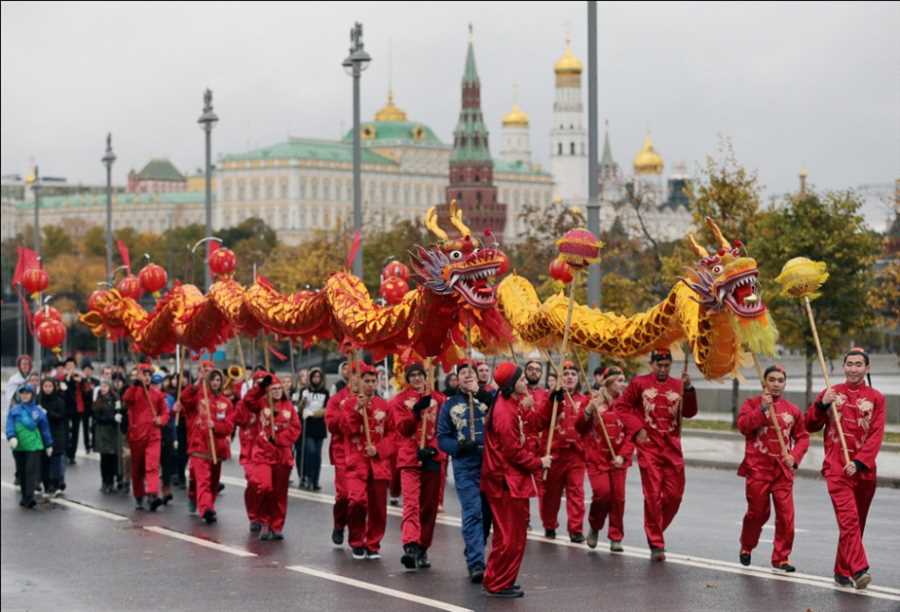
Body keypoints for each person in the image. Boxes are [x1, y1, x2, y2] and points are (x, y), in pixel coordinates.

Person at [806, 348, 885, 590]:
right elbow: (809, 424)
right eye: (849, 364)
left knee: (855, 524)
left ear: (867, 368)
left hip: (863, 471)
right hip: (836, 469)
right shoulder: (831, 393)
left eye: (858, 364)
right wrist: (821, 405)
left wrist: (860, 462)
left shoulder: (876, 398)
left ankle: (842, 569)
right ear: (843, 366)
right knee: (849, 519)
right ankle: (859, 569)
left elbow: (876, 434)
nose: (853, 368)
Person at [615, 348, 697, 561]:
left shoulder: (678, 385)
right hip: (649, 447)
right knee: (652, 495)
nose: (662, 369)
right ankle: (656, 542)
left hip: (672, 447)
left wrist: (688, 388)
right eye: (659, 365)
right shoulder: (639, 383)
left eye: (666, 366)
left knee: (675, 495)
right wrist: (637, 428)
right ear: (651, 364)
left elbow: (689, 412)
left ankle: (656, 528)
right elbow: (622, 407)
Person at [481, 362, 551, 598]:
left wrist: (553, 402)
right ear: (512, 385)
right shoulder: (505, 411)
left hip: (513, 480)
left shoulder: (514, 403)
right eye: (521, 380)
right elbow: (512, 452)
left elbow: (537, 423)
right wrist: (540, 462)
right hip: (504, 481)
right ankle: (496, 582)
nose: (525, 383)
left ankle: (503, 579)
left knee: (515, 534)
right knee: (509, 536)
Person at [736, 364, 809, 571]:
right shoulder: (752, 404)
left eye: (780, 380)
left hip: (782, 471)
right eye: (772, 380)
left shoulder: (793, 410)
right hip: (758, 468)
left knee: (786, 516)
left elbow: (802, 437)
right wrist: (762, 410)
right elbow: (743, 427)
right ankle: (747, 546)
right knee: (758, 513)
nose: (776, 384)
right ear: (764, 382)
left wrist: (793, 457)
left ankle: (781, 558)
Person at [437, 361, 494, 583]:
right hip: (465, 467)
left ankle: (474, 547)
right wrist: (459, 447)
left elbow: (503, 415)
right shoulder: (449, 405)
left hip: (490, 464)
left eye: (471, 372)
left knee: (487, 515)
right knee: (473, 512)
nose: (467, 376)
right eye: (462, 373)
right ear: (457, 378)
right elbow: (442, 438)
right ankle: (476, 563)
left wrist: (479, 394)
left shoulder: (490, 398)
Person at [390, 363, 446, 570]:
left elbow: (444, 428)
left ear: (425, 376)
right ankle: (410, 545)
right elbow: (402, 430)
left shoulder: (439, 399)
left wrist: (434, 449)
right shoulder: (399, 401)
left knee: (429, 507)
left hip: (432, 457)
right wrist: (415, 412)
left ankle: (423, 548)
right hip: (410, 458)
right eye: (412, 375)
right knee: (411, 504)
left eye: (419, 374)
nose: (416, 378)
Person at [339, 364, 395, 559]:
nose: (370, 384)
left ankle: (373, 543)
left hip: (378, 465)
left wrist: (378, 450)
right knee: (357, 501)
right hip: (356, 462)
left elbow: (392, 435)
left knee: (378, 507)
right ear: (359, 382)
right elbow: (347, 430)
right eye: (367, 381)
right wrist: (357, 409)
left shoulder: (384, 405)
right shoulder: (348, 404)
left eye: (373, 381)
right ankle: (356, 540)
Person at [582, 367, 639, 551]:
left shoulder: (629, 405)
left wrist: (623, 455)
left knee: (618, 498)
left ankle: (616, 536)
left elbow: (632, 434)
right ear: (609, 382)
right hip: (597, 458)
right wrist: (589, 410)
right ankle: (595, 526)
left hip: (618, 460)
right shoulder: (594, 401)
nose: (624, 384)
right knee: (602, 494)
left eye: (624, 380)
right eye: (619, 380)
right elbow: (579, 427)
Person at [244, 374, 300, 540]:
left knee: (279, 493)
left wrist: (280, 439)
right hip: (263, 453)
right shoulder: (261, 403)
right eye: (273, 389)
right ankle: (263, 521)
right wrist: (260, 387)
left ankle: (276, 526)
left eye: (278, 389)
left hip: (282, 455)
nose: (276, 392)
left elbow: (296, 429)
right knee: (264, 486)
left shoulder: (289, 407)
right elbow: (248, 401)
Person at [539, 361, 588, 542]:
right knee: (551, 493)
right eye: (565, 374)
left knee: (576, 492)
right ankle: (549, 524)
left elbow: (589, 427)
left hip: (576, 454)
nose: (569, 377)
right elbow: (543, 421)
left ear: (578, 379)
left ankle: (576, 529)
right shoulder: (551, 397)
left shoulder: (584, 400)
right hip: (555, 453)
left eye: (573, 374)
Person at [182, 369, 235, 524]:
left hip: (216, 449)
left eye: (218, 380)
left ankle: (205, 502)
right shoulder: (198, 397)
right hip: (199, 446)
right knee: (202, 480)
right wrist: (197, 382)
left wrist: (216, 426)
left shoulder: (227, 403)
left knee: (213, 482)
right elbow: (184, 399)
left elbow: (229, 426)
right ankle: (206, 509)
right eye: (213, 379)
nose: (215, 383)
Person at [122, 364, 169, 511]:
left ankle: (153, 494)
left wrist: (160, 420)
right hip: (136, 437)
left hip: (153, 435)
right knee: (137, 470)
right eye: (144, 374)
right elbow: (126, 399)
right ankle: (139, 496)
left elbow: (165, 413)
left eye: (149, 375)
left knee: (152, 465)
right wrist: (136, 383)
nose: (147, 377)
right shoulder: (133, 392)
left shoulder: (158, 395)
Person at [5, 385, 53, 508]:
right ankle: (25, 496)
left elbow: (45, 429)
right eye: (22, 393)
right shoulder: (14, 410)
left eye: (27, 393)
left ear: (32, 395)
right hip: (19, 445)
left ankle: (29, 497)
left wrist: (48, 444)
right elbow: (9, 424)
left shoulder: (38, 411)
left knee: (30, 471)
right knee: (22, 472)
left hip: (33, 446)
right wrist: (11, 436)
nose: (25, 395)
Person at [232, 370, 266, 532]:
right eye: (257, 382)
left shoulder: (270, 402)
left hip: (266, 451)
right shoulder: (243, 402)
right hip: (249, 449)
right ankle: (254, 516)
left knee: (266, 486)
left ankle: (264, 516)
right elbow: (236, 419)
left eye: (262, 382)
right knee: (254, 482)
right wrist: (249, 420)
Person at [325, 364, 354, 546]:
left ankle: (357, 534)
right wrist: (346, 410)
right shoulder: (337, 399)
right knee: (344, 495)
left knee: (359, 498)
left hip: (362, 453)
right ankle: (339, 524)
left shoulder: (372, 399)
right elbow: (332, 425)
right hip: (342, 452)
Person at [296, 367, 329, 491]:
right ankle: (307, 476)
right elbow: (299, 409)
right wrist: (303, 400)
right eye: (314, 376)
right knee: (310, 452)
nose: (316, 379)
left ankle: (315, 480)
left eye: (318, 377)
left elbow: (326, 409)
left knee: (317, 455)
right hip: (307, 426)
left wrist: (314, 413)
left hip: (319, 426)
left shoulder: (325, 392)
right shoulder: (304, 390)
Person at [37, 377, 67, 497]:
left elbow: (61, 417)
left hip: (56, 434)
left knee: (55, 461)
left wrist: (47, 413)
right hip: (42, 435)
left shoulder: (59, 401)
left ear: (54, 387)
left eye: (50, 386)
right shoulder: (38, 400)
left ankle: (55, 484)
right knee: (44, 461)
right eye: (45, 386)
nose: (48, 389)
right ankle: (46, 485)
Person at [92, 378, 122, 494]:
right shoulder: (97, 400)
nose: (103, 389)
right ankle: (105, 481)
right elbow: (97, 417)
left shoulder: (115, 398)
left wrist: (119, 414)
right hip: (102, 431)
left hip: (113, 432)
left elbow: (119, 410)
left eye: (105, 386)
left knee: (113, 457)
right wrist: (111, 418)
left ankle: (112, 481)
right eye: (102, 386)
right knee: (105, 458)